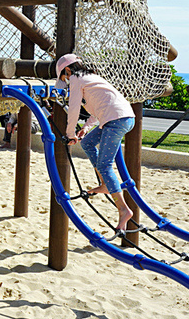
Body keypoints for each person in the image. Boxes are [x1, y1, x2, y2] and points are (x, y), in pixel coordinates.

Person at [56, 53, 136, 231]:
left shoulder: (77, 78)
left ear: (68, 70)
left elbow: (74, 107)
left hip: (116, 120)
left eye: (64, 77)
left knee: (105, 164)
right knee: (87, 143)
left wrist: (70, 133)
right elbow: (101, 106)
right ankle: (105, 182)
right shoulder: (91, 77)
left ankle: (123, 209)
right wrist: (85, 127)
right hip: (121, 117)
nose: (66, 81)